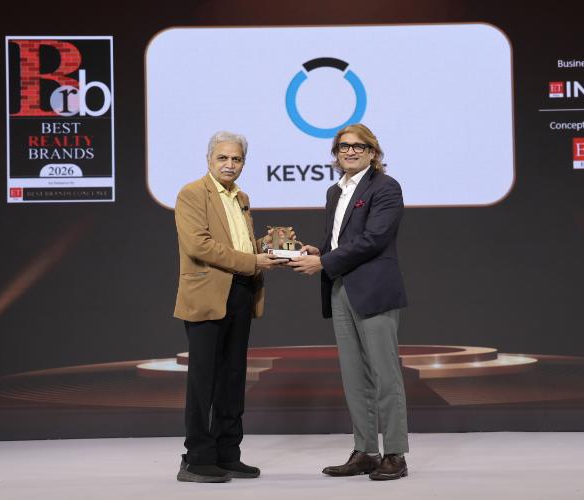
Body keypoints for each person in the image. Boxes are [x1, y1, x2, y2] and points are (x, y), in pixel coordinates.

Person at [288, 123, 409, 480]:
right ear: (336, 154)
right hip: (340, 288)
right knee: (354, 376)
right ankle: (366, 451)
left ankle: (395, 454)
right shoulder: (334, 191)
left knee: (385, 375)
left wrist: (324, 262)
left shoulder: (386, 187)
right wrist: (319, 252)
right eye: (344, 147)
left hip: (373, 290)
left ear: (373, 152)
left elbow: (374, 239)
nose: (351, 152)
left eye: (359, 146)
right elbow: (340, 241)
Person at [173, 131, 286, 483]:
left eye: (236, 159)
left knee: (233, 377)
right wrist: (253, 260)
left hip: (241, 291)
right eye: (223, 158)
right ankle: (197, 458)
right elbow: (199, 246)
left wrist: (268, 246)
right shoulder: (192, 193)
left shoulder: (241, 197)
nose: (229, 164)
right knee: (204, 380)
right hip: (206, 294)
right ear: (209, 159)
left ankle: (227, 453)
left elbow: (239, 245)